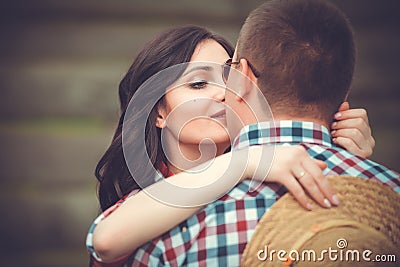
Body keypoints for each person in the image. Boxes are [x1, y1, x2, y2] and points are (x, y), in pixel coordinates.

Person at [124, 0, 399, 266]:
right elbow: (102, 240)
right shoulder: (143, 219)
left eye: (227, 75)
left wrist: (347, 163)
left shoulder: (179, 237)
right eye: (198, 84)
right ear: (158, 112)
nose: (222, 93)